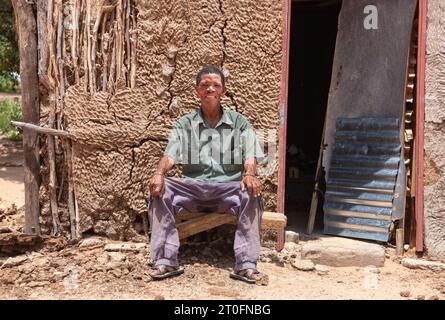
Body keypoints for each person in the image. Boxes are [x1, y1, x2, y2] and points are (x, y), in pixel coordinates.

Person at [147, 65, 267, 284]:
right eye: (204, 85)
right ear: (197, 91)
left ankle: (246, 265)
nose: (210, 89)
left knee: (252, 192)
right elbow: (170, 155)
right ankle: (166, 261)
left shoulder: (239, 122)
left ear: (223, 90)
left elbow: (250, 155)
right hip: (193, 189)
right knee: (161, 190)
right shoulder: (185, 123)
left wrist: (250, 174)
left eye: (216, 85)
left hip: (227, 189)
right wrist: (159, 173)